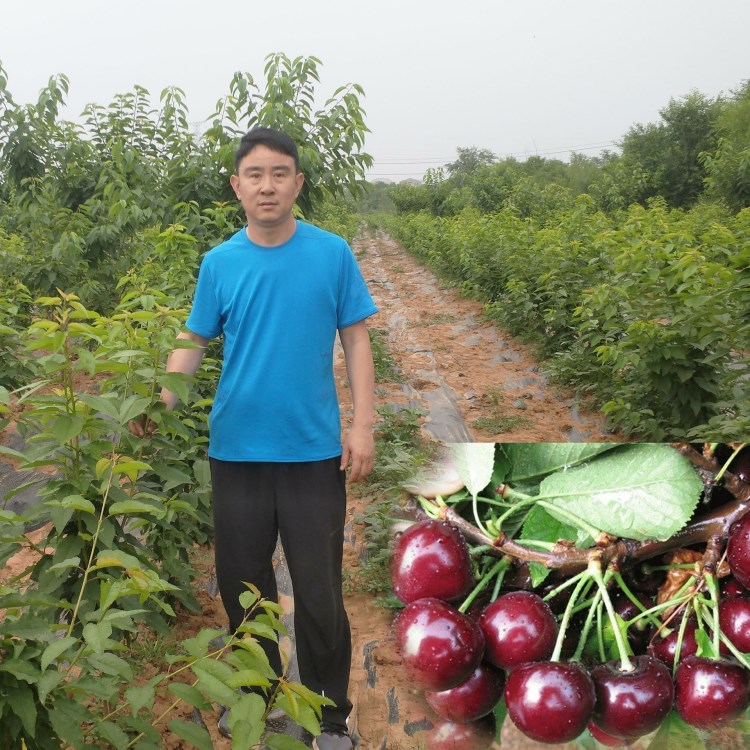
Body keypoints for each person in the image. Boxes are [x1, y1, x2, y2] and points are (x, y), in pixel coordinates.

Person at [131, 126, 378, 750]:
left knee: (320, 590)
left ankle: (330, 713)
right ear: (237, 187)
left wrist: (363, 423)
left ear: (297, 183)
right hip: (236, 451)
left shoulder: (331, 253)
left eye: (279, 173)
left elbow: (355, 340)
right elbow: (193, 342)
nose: (267, 186)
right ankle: (256, 697)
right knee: (245, 589)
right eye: (255, 175)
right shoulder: (220, 263)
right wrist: (158, 400)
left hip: (313, 453)